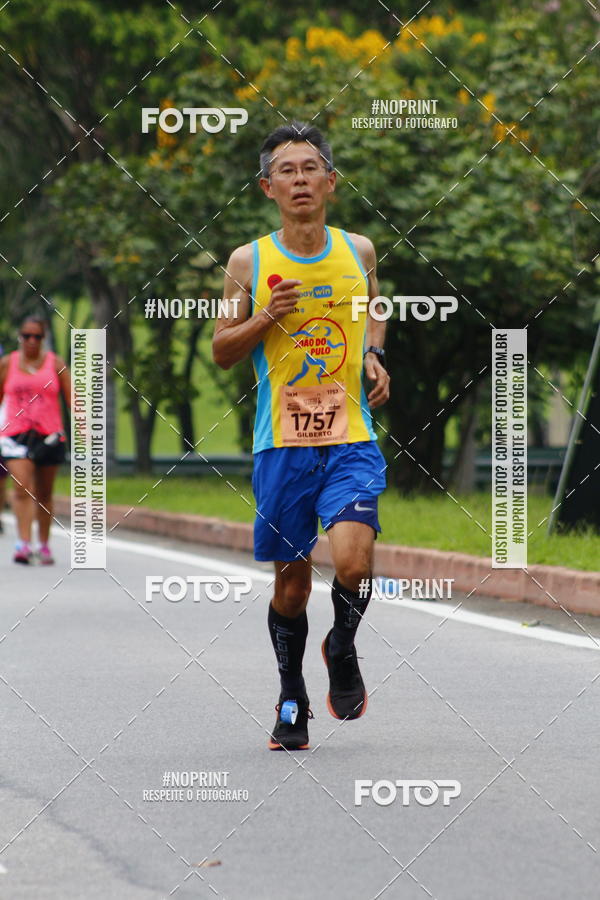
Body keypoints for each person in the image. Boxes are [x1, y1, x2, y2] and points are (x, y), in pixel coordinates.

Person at [213, 122, 390, 750]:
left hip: (351, 438)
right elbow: (221, 350)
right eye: (286, 171)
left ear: (331, 182)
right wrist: (266, 316)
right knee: (293, 585)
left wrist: (373, 355)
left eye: (311, 167)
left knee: (354, 561)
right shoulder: (249, 261)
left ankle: (341, 645)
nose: (300, 180)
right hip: (281, 446)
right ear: (268, 187)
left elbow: (374, 306)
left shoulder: (359, 250)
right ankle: (292, 695)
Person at [0, 316, 71, 564]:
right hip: (15, 434)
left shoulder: (56, 364)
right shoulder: (7, 364)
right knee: (21, 488)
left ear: (43, 338)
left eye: (37, 336)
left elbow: (73, 399)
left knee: (44, 493)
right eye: (26, 336)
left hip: (49, 435)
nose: (31, 341)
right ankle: (23, 544)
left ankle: (43, 543)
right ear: (20, 337)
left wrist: (84, 426)